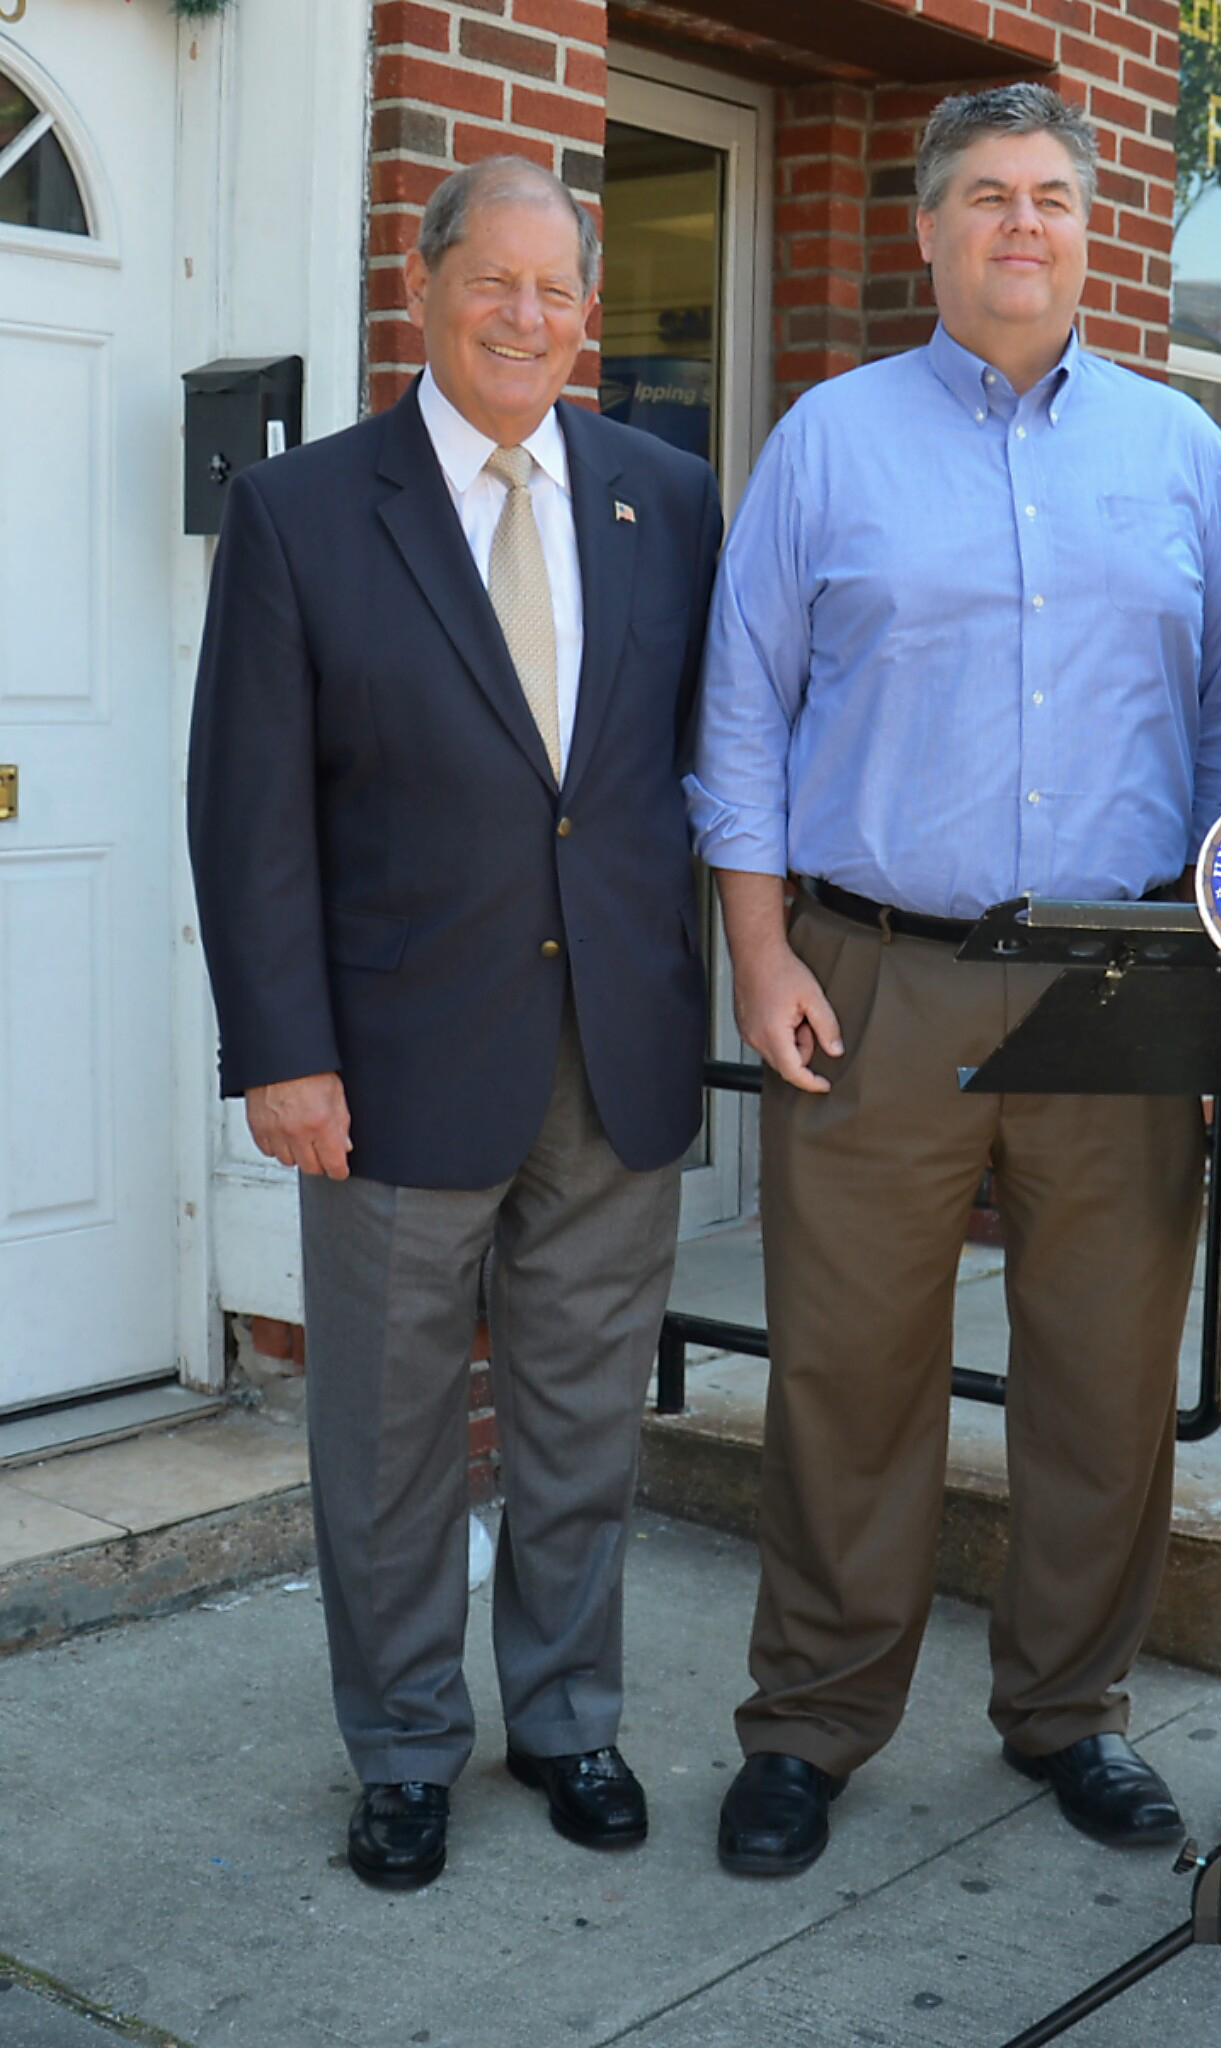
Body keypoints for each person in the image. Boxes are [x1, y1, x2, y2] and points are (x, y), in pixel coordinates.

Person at [689, 82, 1221, 1876]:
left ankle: (1067, 1713)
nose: (1022, 223)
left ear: (1092, 234)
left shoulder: (1181, 451)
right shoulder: (829, 441)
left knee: (1101, 1380)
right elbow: (741, 706)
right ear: (926, 233)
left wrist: (1209, 969)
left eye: (1051, 197)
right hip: (877, 978)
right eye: (986, 197)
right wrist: (763, 944)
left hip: (1119, 977)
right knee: (847, 1376)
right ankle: (812, 1720)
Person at [186, 157, 720, 1890]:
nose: (526, 317)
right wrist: (279, 1047)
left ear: (588, 315)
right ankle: (404, 1744)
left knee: (582, 1425)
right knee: (391, 1436)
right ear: (422, 288)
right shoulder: (306, 511)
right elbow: (248, 809)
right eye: (492, 281)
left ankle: (568, 1719)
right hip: (391, 1064)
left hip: (614, 1053)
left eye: (557, 291)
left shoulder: (666, 497)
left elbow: (693, 771)